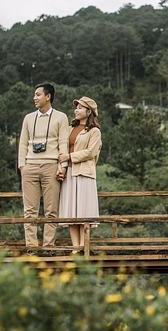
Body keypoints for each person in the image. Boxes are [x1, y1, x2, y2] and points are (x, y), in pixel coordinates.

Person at [18, 83, 70, 248]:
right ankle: (31, 247)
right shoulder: (28, 118)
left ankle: (48, 246)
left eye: (38, 94)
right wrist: (22, 166)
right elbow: (23, 143)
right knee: (30, 210)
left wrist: (63, 166)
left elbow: (63, 143)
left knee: (51, 210)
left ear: (48, 96)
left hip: (51, 166)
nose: (35, 98)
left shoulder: (61, 117)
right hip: (30, 166)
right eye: (34, 95)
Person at [58, 96, 101, 250]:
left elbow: (91, 152)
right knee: (71, 212)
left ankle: (84, 246)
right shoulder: (70, 128)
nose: (76, 110)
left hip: (84, 174)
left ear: (89, 111)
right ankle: (76, 248)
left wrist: (70, 157)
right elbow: (62, 149)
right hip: (69, 173)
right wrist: (62, 166)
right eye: (76, 107)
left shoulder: (95, 131)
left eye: (80, 107)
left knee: (83, 212)